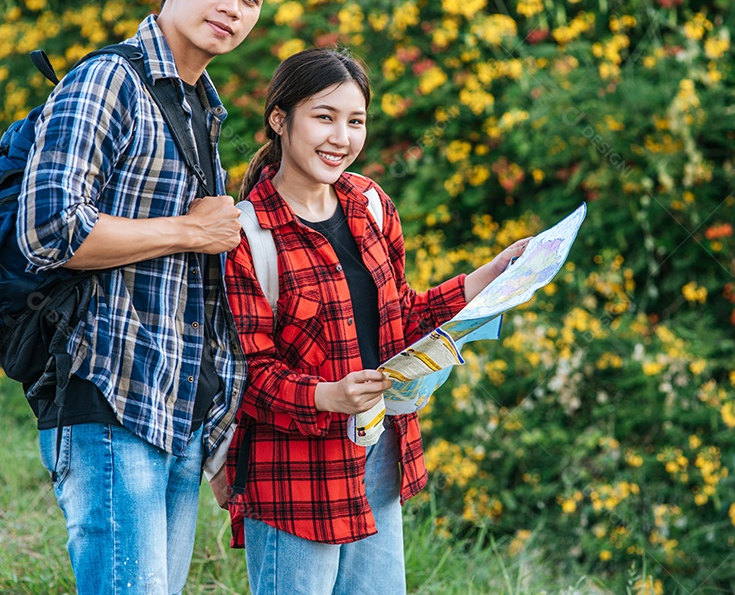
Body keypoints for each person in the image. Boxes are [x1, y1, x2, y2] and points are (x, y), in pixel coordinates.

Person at [15, 0, 288, 595]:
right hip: (109, 397)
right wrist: (189, 230)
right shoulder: (108, 81)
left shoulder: (203, 108)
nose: (232, 8)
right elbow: (48, 229)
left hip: (176, 411)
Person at [223, 48, 532, 595]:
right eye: (324, 117)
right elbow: (248, 376)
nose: (340, 136)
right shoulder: (246, 237)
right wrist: (328, 396)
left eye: (355, 120)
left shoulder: (370, 204)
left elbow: (402, 315)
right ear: (279, 119)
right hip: (295, 476)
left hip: (378, 453)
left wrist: (485, 279)